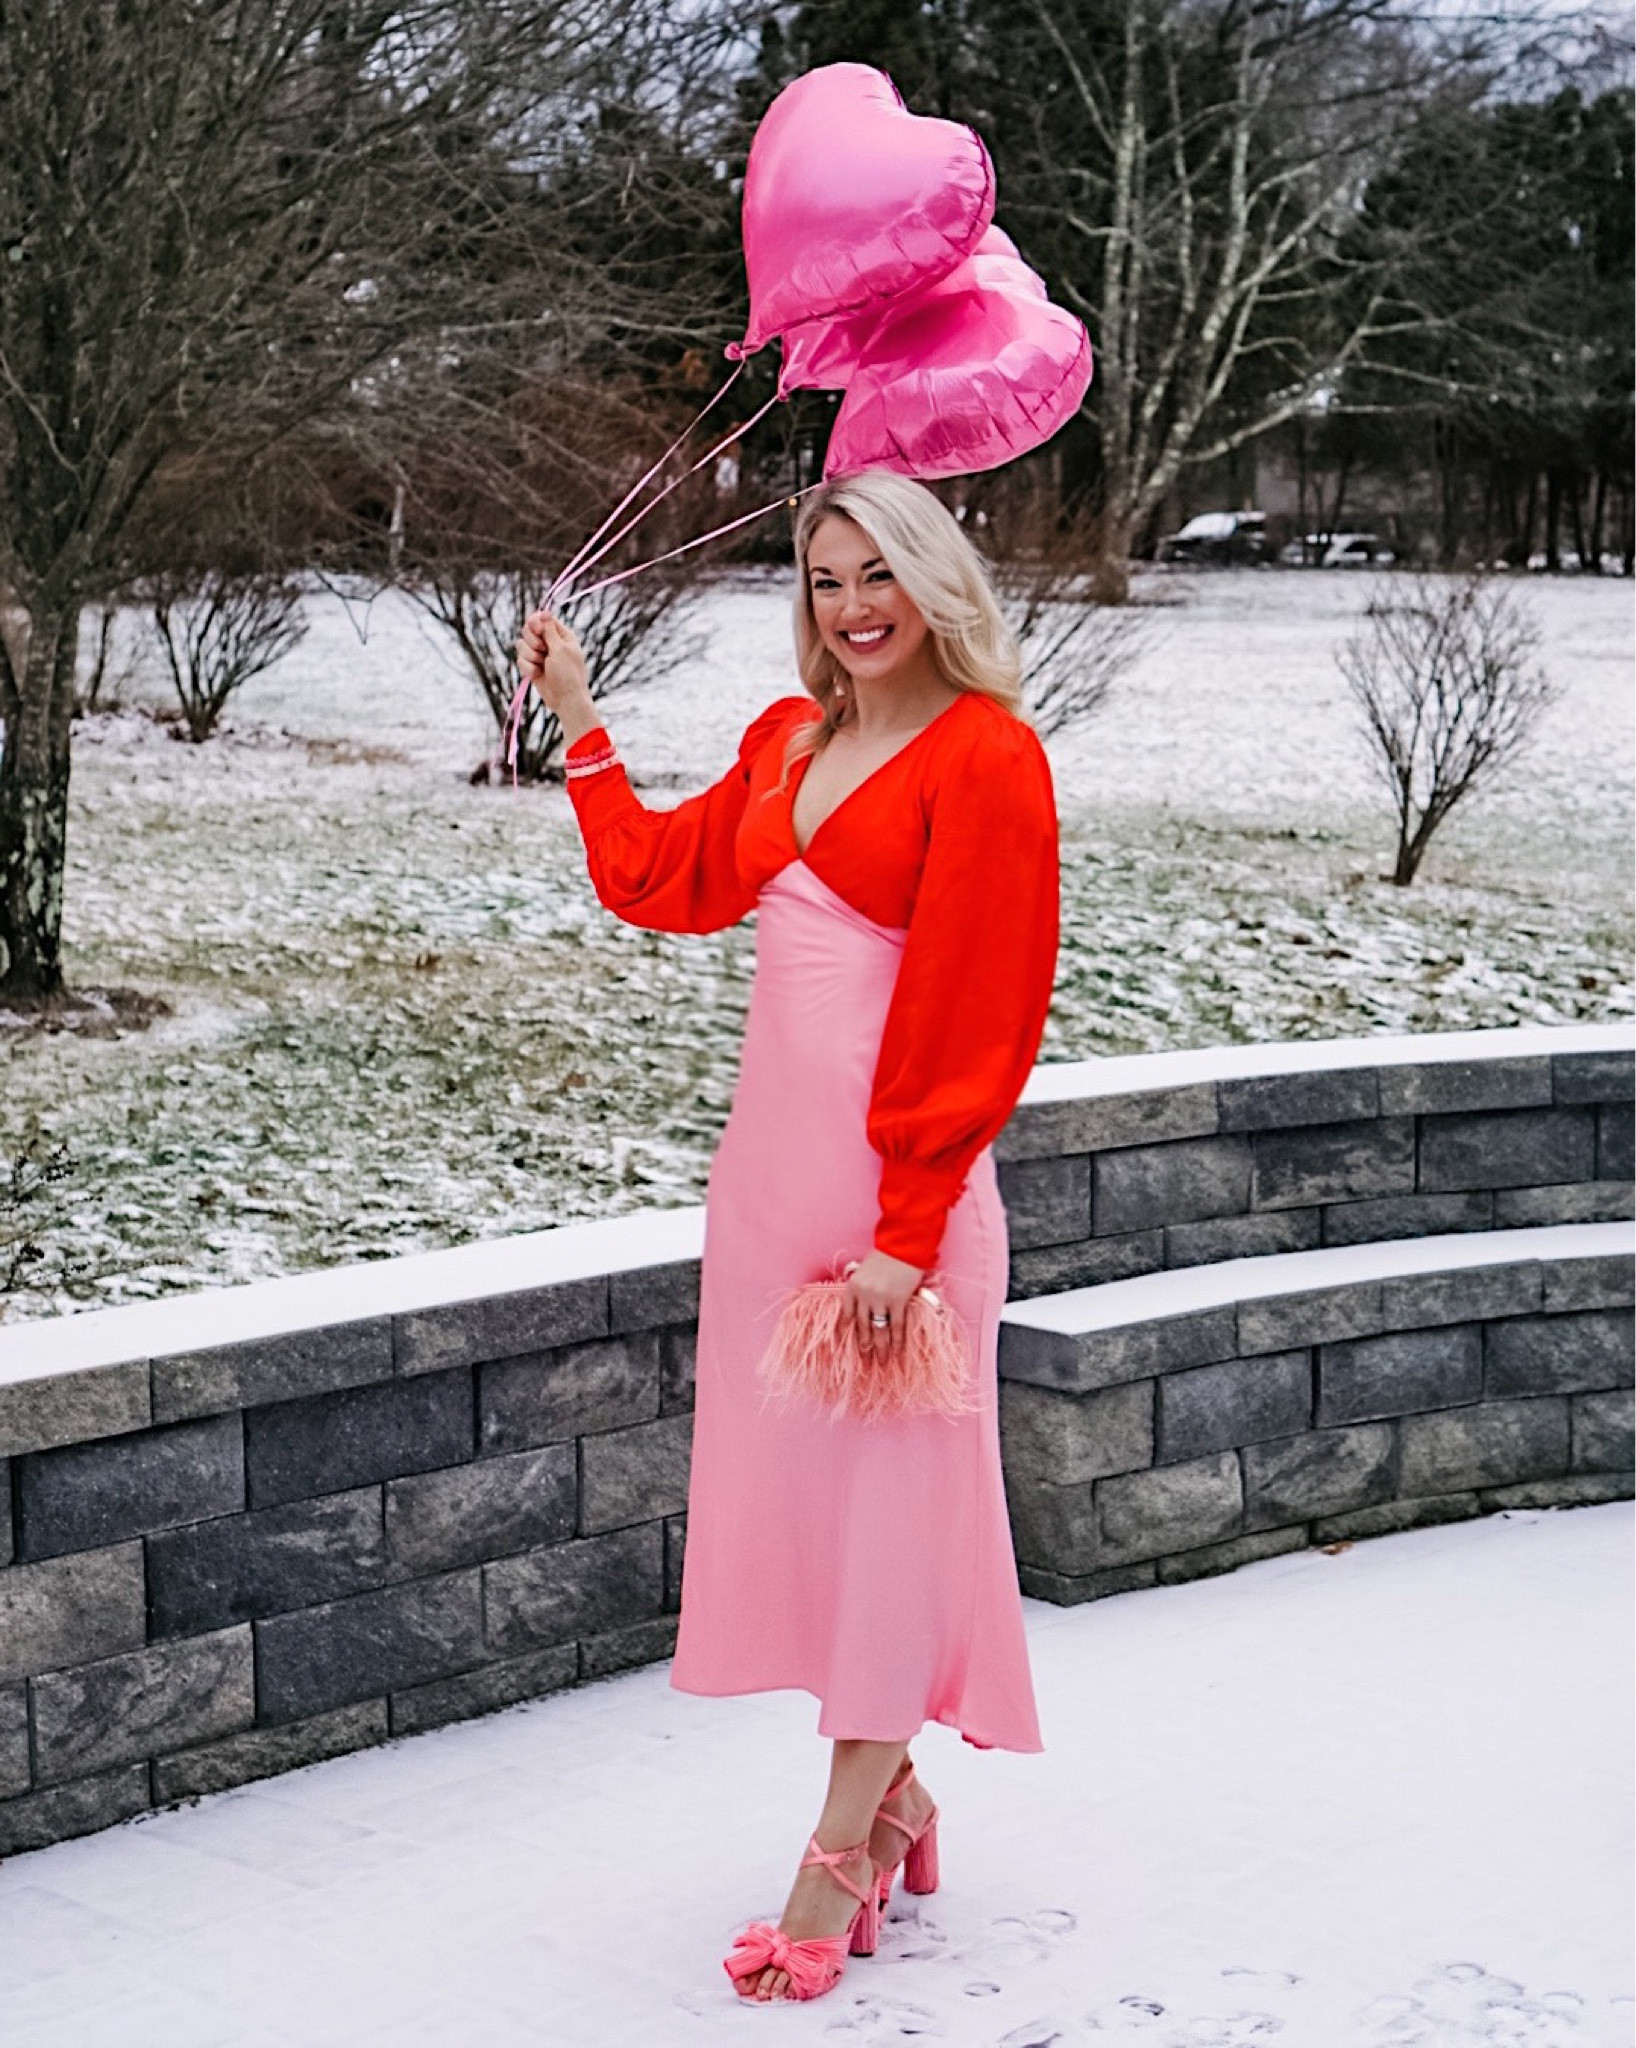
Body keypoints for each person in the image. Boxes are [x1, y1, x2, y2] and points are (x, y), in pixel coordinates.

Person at [516, 468, 1059, 2004]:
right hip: (769, 1192)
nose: (854, 606)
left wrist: (907, 1233)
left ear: (934, 580)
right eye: (825, 580)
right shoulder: (789, 738)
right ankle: (893, 1799)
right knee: (813, 1517)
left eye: (878, 572)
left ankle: (834, 1852)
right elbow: (662, 881)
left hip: (902, 1220)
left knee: (892, 1521)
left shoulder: (988, 758)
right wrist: (583, 717)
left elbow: (978, 1013)